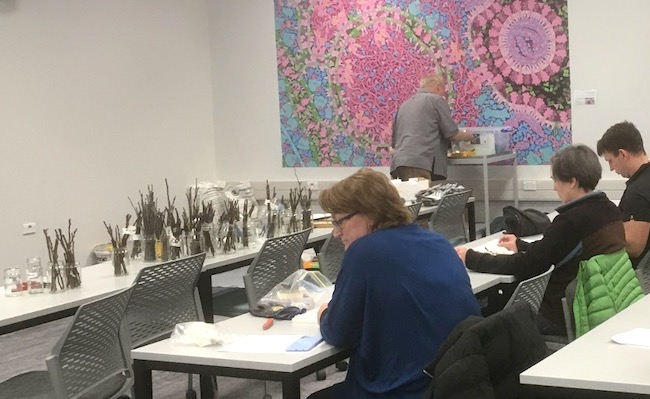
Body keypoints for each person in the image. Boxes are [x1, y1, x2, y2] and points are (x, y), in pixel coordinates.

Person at [308, 168, 481, 399]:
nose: (337, 233)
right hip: (455, 383)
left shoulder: (364, 251)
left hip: (402, 389)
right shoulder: (437, 242)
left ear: (370, 213)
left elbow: (338, 332)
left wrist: (324, 314)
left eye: (340, 222)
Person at [456, 144, 626, 335]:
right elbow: (557, 250)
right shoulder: (608, 209)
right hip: (604, 302)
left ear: (572, 181)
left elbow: (527, 265)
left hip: (562, 312)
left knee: (479, 326)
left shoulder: (571, 221)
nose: (554, 187)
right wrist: (520, 245)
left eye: (556, 181)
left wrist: (471, 258)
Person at [390, 70, 474, 182]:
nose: (444, 94)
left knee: (409, 198)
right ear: (438, 87)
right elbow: (452, 134)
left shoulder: (405, 105)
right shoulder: (436, 100)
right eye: (444, 90)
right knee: (422, 198)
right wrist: (469, 136)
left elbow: (394, 142)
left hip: (399, 163)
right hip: (420, 162)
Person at [596, 121, 650, 267]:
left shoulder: (638, 192)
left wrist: (598, 236)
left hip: (634, 277)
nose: (612, 168)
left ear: (622, 154)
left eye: (611, 161)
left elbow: (634, 247)